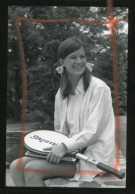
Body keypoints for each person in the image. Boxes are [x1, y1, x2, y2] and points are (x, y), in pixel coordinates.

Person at [10, 37, 115, 187]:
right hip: (70, 154)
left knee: (33, 170)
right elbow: (59, 130)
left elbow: (93, 131)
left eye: (82, 56)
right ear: (62, 62)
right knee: (15, 166)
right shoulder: (61, 93)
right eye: (73, 57)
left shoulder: (99, 88)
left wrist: (65, 146)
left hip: (92, 157)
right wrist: (57, 148)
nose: (79, 61)